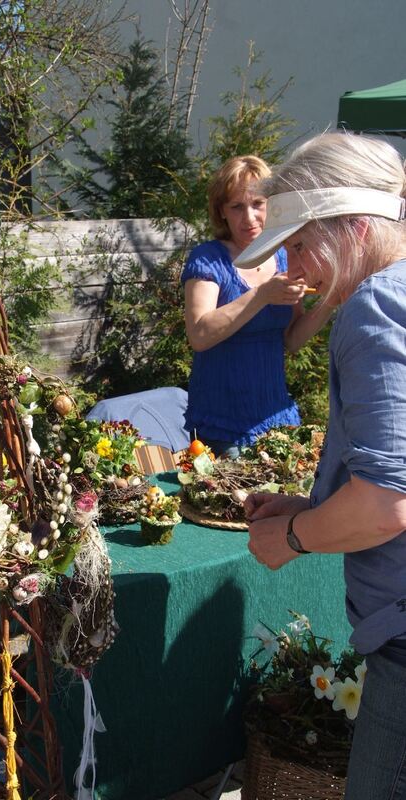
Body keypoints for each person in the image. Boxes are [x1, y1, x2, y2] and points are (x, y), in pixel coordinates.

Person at [239, 132, 406, 800]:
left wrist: (290, 539)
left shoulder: (375, 306)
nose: (295, 264)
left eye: (301, 242)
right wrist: (312, 507)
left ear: (356, 226)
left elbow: (385, 504)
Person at [182, 155, 331, 457]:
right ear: (221, 211)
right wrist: (262, 295)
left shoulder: (285, 257)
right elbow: (199, 335)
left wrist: (330, 302)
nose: (248, 217)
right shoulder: (209, 259)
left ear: (272, 206)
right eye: (237, 206)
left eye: (258, 204)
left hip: (277, 417)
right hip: (223, 426)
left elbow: (291, 339)